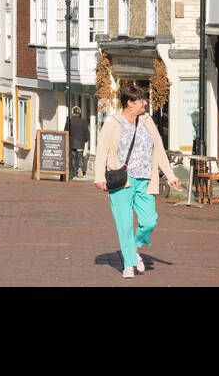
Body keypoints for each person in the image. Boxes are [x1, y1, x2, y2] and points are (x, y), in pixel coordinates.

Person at [93, 83, 181, 278]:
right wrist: (99, 176)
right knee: (124, 224)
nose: (145, 102)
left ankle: (134, 247)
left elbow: (158, 149)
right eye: (141, 99)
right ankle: (129, 264)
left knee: (150, 221)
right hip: (122, 181)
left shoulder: (147, 121)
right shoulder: (112, 122)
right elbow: (102, 151)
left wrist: (171, 175)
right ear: (130, 103)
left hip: (145, 180)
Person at [66, 106, 89, 178]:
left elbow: (66, 132)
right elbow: (86, 132)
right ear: (79, 113)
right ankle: (80, 170)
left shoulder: (69, 121)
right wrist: (86, 140)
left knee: (72, 157)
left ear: (72, 112)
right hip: (80, 143)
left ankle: (73, 172)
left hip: (71, 143)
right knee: (80, 157)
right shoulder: (83, 121)